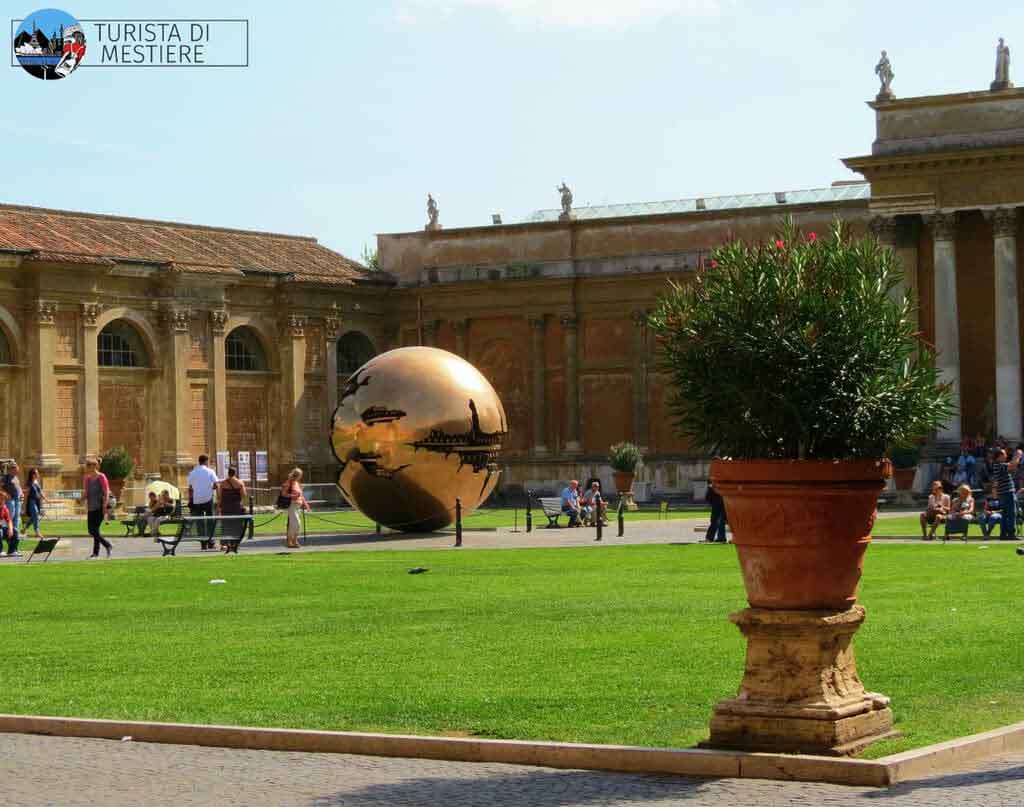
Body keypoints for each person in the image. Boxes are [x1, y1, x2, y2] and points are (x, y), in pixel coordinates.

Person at [187, 454, 219, 550]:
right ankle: (211, 542)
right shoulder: (210, 471)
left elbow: (190, 488)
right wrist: (211, 488)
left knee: (199, 522)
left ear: (199, 461)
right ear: (206, 461)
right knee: (210, 521)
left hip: (197, 500)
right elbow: (217, 485)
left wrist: (190, 499)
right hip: (208, 498)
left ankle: (203, 543)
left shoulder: (192, 473)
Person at [83, 457, 112, 559]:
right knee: (93, 531)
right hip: (91, 507)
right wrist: (81, 498)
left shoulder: (101, 477)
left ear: (95, 466)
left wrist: (105, 505)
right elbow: (86, 492)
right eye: (87, 466)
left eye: (89, 465)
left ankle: (104, 547)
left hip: (100, 506)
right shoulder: (87, 478)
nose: (87, 468)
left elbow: (106, 491)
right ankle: (99, 551)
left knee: (94, 530)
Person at [993, 447, 1022, 539]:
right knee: (1011, 513)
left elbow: (1012, 466)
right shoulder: (999, 465)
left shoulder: (998, 465)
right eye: (1004, 454)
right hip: (1007, 493)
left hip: (1003, 493)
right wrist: (1018, 455)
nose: (1006, 456)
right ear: (999, 456)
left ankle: (1003, 534)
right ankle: (1011, 534)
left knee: (1005, 514)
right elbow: (1012, 465)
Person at [218, 466, 248, 545]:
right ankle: (234, 542)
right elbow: (244, 495)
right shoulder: (240, 483)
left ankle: (224, 544)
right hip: (236, 507)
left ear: (228, 473)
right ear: (235, 473)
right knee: (236, 525)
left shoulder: (223, 483)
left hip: (226, 507)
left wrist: (219, 507)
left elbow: (220, 497)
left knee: (225, 525)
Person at [282, 468, 309, 549]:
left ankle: (290, 542)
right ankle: (294, 540)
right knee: (297, 524)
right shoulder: (289, 482)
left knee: (292, 525)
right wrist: (293, 496)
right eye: (300, 475)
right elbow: (284, 494)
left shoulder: (297, 483)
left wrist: (305, 504)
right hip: (291, 505)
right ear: (297, 475)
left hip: (298, 506)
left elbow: (301, 495)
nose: (301, 476)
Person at [1, 462, 22, 553]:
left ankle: (14, 538)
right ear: (12, 469)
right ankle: (10, 537)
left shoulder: (16, 478)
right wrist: (5, 494)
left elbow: (19, 487)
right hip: (11, 500)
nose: (17, 470)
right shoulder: (6, 477)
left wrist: (22, 493)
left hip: (17, 500)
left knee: (16, 519)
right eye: (16, 468)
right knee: (11, 517)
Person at [24, 467, 47, 539]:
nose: (38, 474)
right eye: (36, 473)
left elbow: (40, 492)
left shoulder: (37, 482)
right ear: (33, 475)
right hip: (31, 501)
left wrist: (45, 499)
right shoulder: (29, 483)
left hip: (37, 501)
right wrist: (24, 504)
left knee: (34, 517)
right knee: (36, 514)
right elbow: (26, 493)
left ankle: (25, 528)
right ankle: (37, 531)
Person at [0, 491, 14, 557]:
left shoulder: (4, 508)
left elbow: (9, 520)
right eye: (1, 499)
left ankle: (12, 551)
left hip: (1, 527)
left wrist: (10, 529)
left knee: (15, 531)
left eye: (4, 499)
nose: (3, 501)